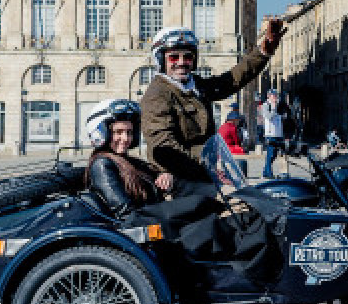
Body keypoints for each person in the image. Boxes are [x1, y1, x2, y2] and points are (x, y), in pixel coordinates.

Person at [84, 98, 278, 285]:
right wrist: (193, 205)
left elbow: (161, 182)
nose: (125, 139)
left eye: (129, 132)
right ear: (102, 133)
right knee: (216, 225)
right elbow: (127, 215)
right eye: (118, 132)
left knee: (222, 213)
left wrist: (171, 179)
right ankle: (252, 278)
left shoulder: (128, 162)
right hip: (150, 232)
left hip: (157, 224)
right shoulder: (103, 164)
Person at [141, 20, 283, 198]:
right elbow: (165, 146)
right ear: (161, 60)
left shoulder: (195, 85)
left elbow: (231, 80)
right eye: (174, 57)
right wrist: (207, 164)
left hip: (201, 173)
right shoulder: (157, 94)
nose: (182, 62)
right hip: (175, 178)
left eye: (188, 57)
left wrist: (263, 52)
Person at [259, 89, 290, 178]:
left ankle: (265, 172)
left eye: (276, 95)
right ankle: (268, 173)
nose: (275, 97)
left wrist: (283, 115)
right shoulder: (266, 105)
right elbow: (269, 116)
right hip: (270, 134)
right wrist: (273, 108)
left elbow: (282, 116)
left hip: (278, 133)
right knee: (270, 154)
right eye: (274, 95)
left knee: (275, 154)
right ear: (269, 96)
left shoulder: (278, 105)